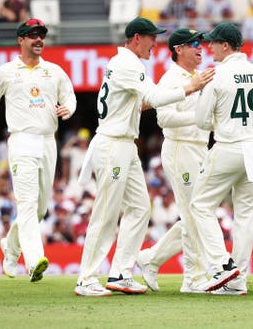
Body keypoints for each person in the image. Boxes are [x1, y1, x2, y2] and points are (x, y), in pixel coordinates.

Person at [74, 17, 214, 296]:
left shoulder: (126, 64)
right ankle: (86, 278)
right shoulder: (127, 63)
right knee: (106, 212)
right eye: (152, 37)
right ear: (137, 38)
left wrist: (166, 96)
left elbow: (143, 101)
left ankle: (121, 273)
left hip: (125, 144)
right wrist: (191, 87)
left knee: (140, 208)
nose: (155, 43)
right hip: (113, 144)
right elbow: (156, 97)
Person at [0, 18, 76, 282]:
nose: (38, 40)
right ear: (20, 40)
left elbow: (69, 94)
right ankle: (34, 261)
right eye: (32, 35)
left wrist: (68, 108)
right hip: (21, 140)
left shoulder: (53, 71)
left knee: (40, 209)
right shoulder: (7, 71)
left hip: (48, 141)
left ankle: (10, 248)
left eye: (41, 35)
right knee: (28, 203)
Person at [190, 22, 253, 295]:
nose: (208, 47)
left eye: (213, 42)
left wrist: (222, 123)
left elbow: (201, 121)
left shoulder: (217, 74)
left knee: (200, 205)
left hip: (228, 146)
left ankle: (221, 266)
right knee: (246, 214)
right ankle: (238, 279)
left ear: (225, 45)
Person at [136, 28, 213, 294]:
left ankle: (151, 258)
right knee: (193, 215)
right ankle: (193, 277)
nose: (200, 47)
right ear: (178, 50)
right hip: (181, 148)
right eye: (194, 43)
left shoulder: (198, 76)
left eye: (201, 43)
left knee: (198, 213)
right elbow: (163, 119)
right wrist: (200, 119)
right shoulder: (171, 78)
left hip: (200, 148)